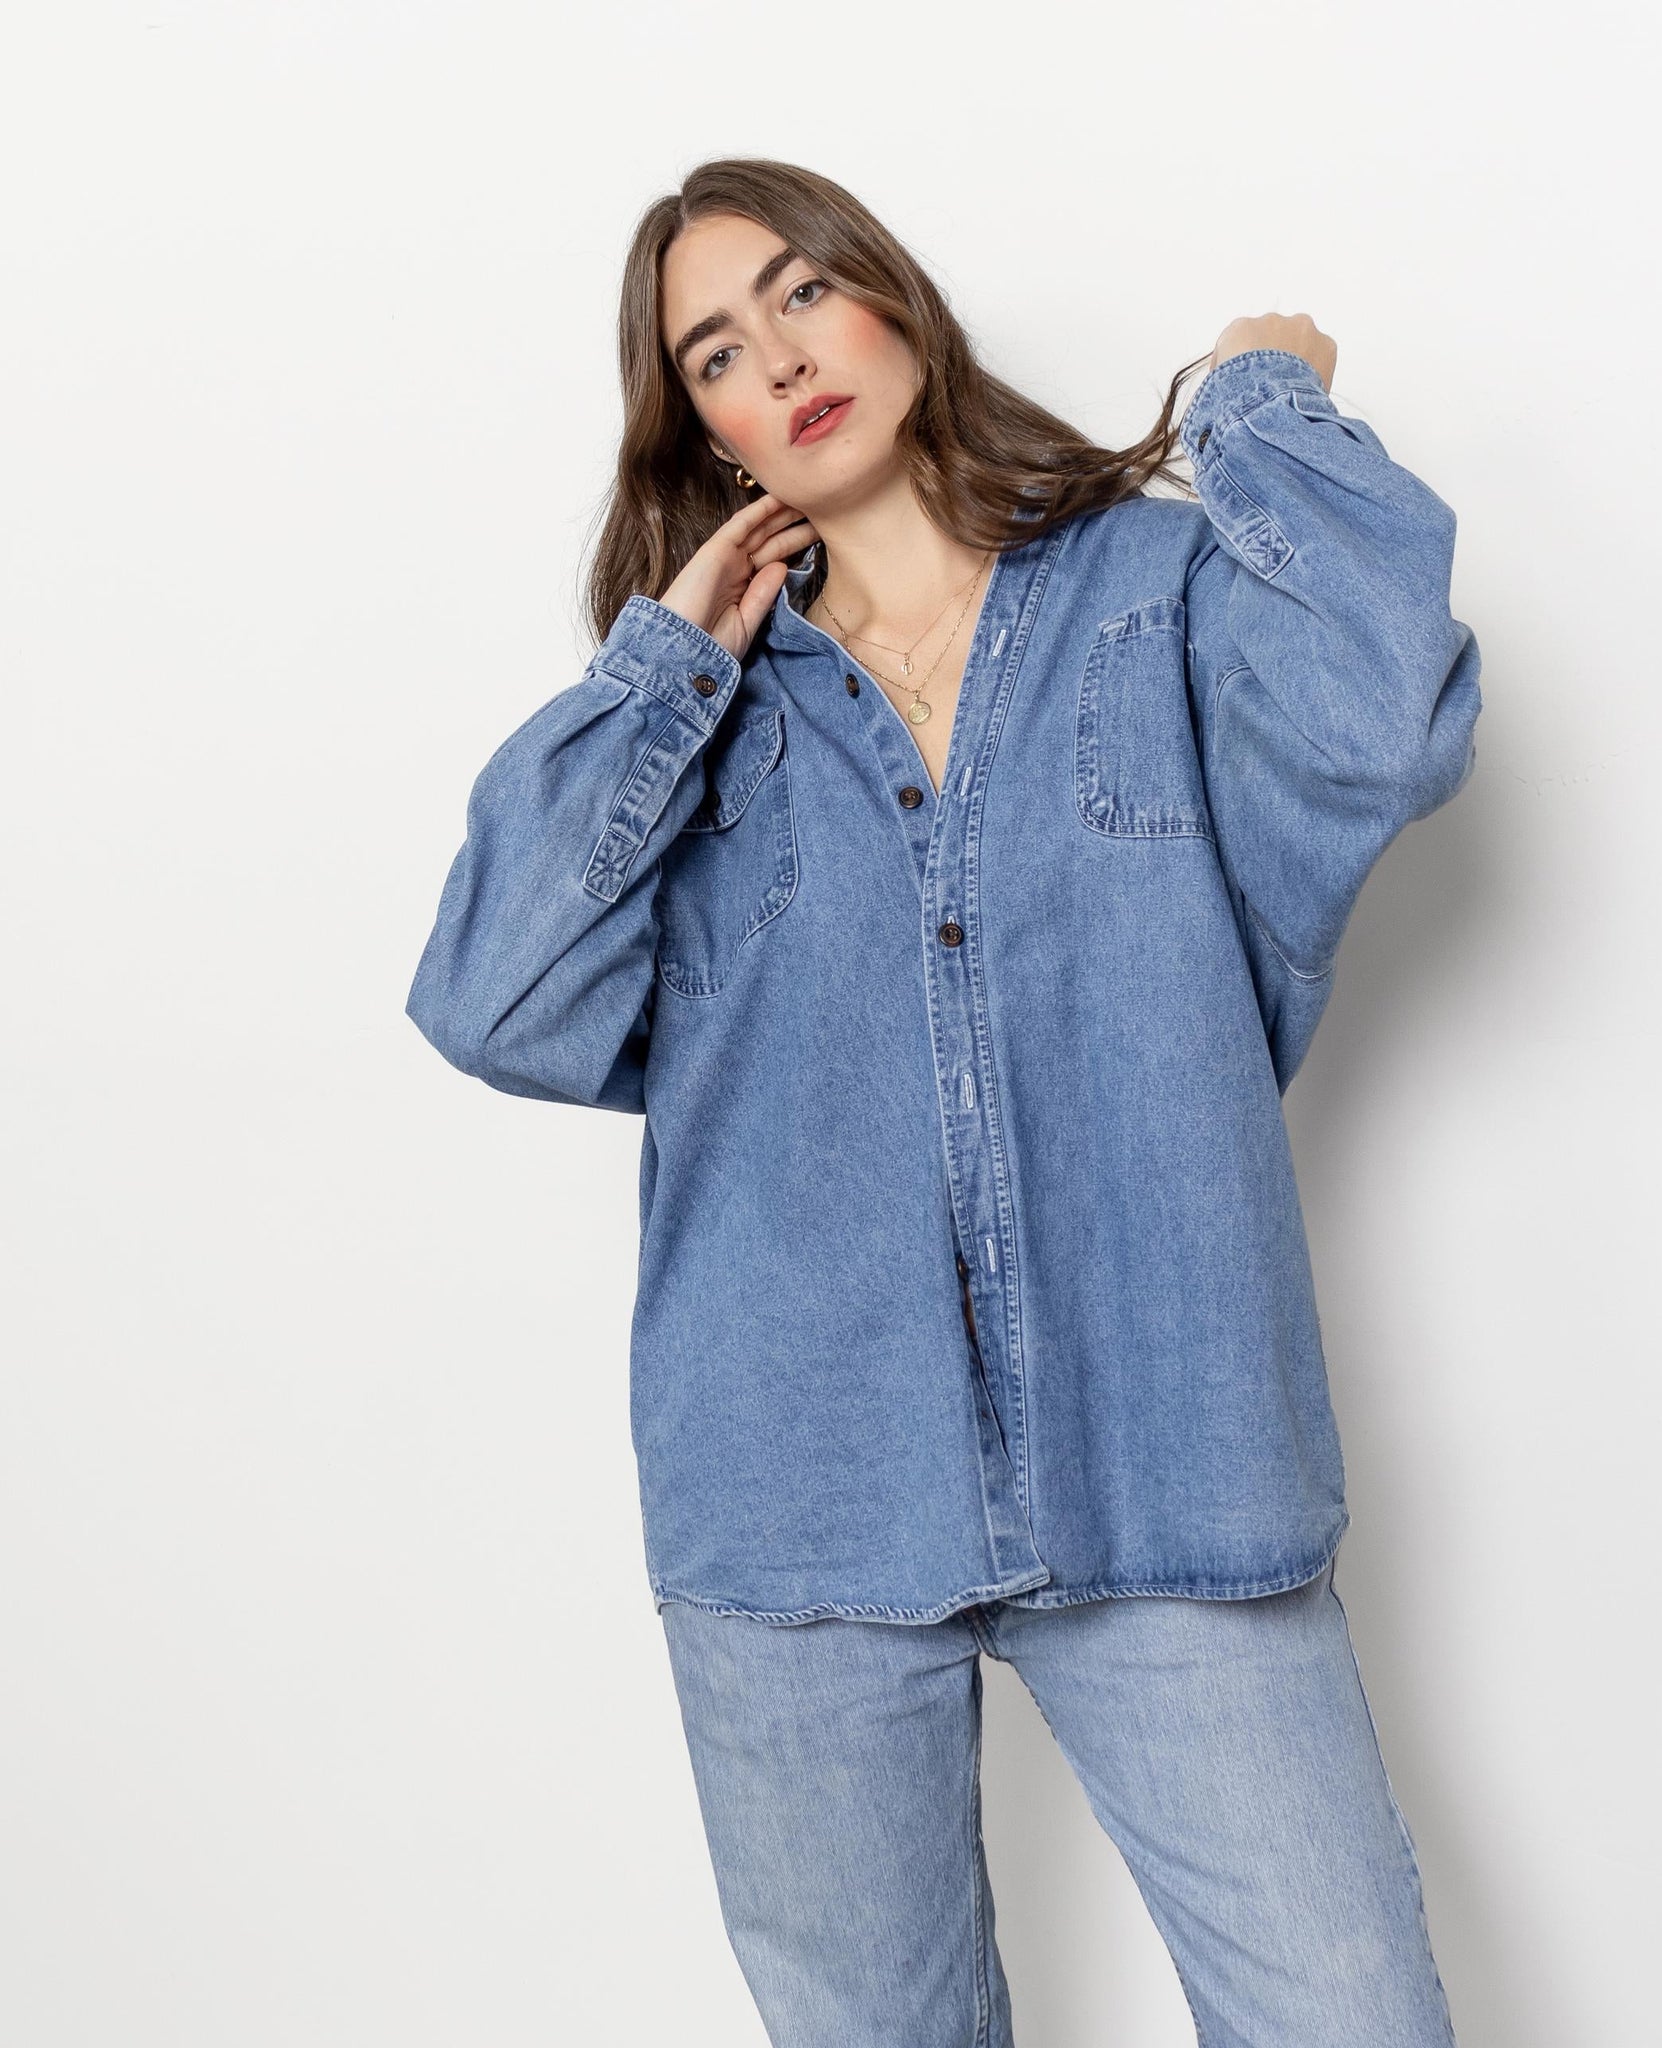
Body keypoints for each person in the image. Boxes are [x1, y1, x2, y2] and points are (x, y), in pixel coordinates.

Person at [405, 155, 1482, 2048]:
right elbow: (494, 999)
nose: (781, 360)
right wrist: (667, 667)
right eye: (717, 355)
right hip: (801, 1509)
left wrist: (1255, 414)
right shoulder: (698, 720)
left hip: (1168, 1463)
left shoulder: (1150, 597)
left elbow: (1382, 718)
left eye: (803, 294)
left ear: (892, 299)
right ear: (707, 431)